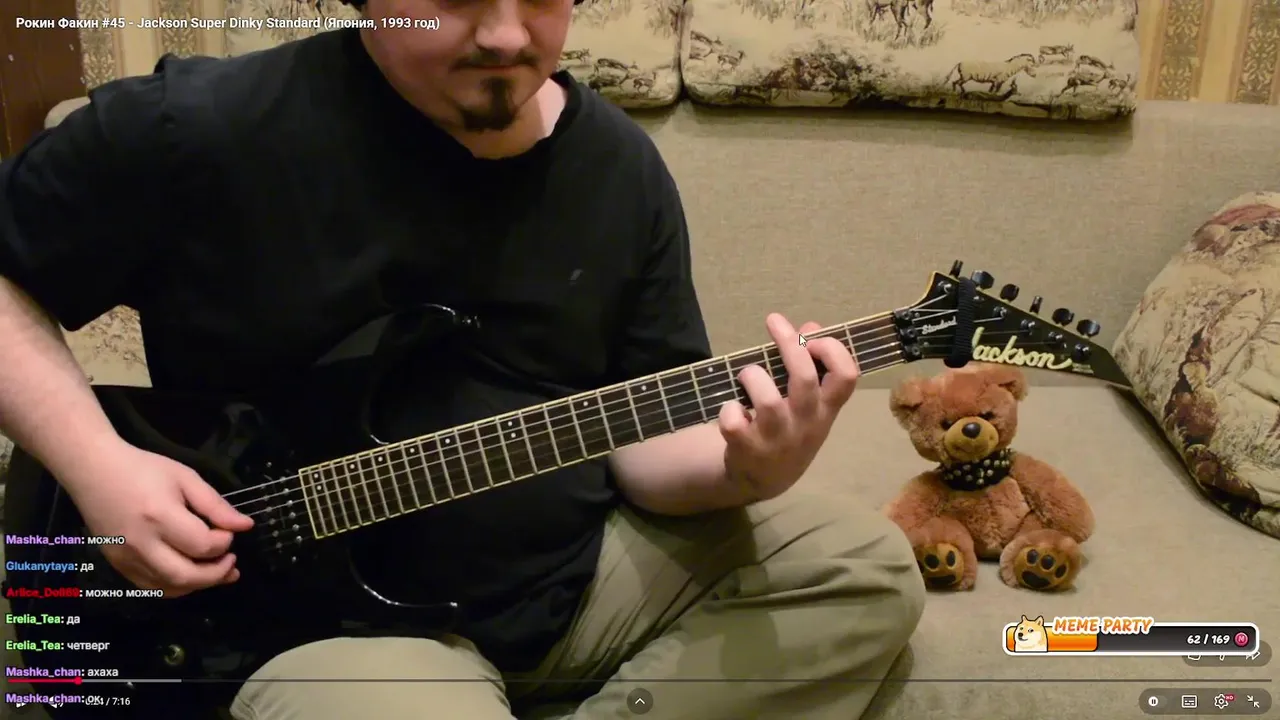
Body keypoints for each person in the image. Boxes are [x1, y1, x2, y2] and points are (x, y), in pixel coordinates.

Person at [0, 0, 925, 716]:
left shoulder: (618, 167)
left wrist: (748, 468)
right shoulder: (200, 130)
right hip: (304, 620)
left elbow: (643, 440)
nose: (507, 35)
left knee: (860, 567)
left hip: (566, 582)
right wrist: (98, 464)